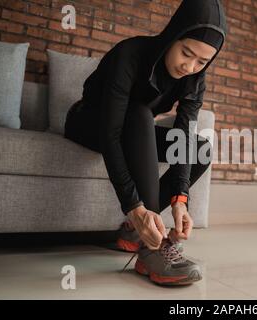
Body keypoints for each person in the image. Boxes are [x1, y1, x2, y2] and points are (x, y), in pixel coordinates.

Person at [63, 0, 227, 286]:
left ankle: (133, 232)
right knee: (139, 112)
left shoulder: (194, 80)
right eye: (186, 53)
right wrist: (134, 206)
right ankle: (152, 248)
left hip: (134, 127)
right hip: (87, 122)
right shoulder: (130, 54)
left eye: (202, 62)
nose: (190, 66)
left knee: (199, 149)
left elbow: (183, 137)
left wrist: (180, 199)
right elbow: (110, 135)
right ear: (173, 35)